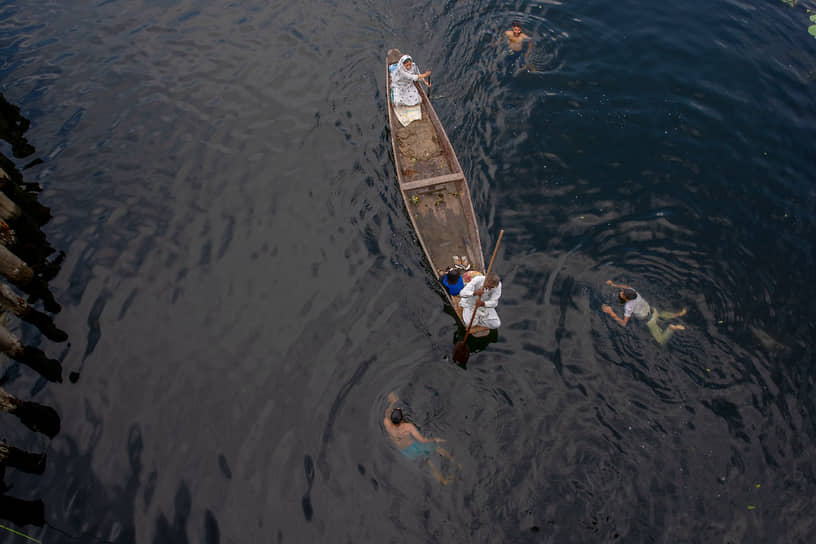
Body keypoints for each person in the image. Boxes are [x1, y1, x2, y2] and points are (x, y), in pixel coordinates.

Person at [384, 392, 459, 485]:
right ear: (401, 418)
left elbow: (387, 413)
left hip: (405, 451)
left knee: (428, 461)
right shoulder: (408, 427)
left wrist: (392, 402)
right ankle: (457, 464)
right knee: (437, 448)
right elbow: (422, 440)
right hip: (414, 446)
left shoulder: (386, 423)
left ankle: (442, 479)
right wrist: (436, 439)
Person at [601, 280, 687, 346]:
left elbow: (624, 323)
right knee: (660, 315)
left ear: (628, 299)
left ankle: (671, 329)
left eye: (623, 295)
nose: (621, 294)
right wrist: (613, 284)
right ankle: (678, 314)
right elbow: (626, 287)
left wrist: (611, 312)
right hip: (653, 311)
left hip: (649, 321)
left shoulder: (628, 307)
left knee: (661, 341)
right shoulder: (634, 292)